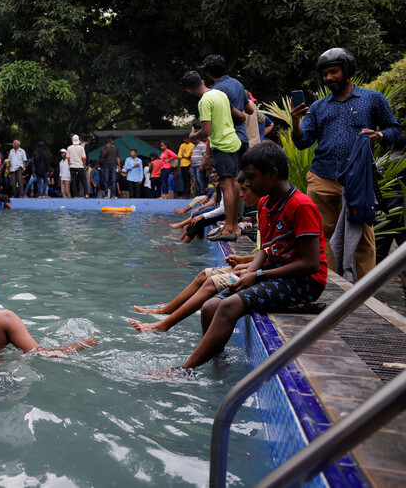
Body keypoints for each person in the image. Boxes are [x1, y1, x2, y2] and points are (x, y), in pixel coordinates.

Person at [177, 142, 327, 369]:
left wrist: (258, 274)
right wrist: (250, 270)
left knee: (228, 307)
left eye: (251, 177)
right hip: (272, 273)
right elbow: (267, 247)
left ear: (273, 174)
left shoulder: (300, 206)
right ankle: (216, 359)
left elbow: (311, 264)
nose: (246, 183)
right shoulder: (266, 203)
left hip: (305, 282)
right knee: (209, 307)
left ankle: (184, 370)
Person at [291, 47, 401, 279]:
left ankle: (363, 294)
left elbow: (395, 130)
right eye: (325, 74)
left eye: (334, 72)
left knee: (362, 236)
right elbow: (304, 142)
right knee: (320, 236)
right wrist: (296, 123)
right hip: (322, 177)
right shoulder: (319, 106)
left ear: (347, 70)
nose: (329, 77)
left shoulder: (372, 99)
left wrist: (379, 136)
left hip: (358, 179)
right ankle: (328, 286)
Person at [130, 176, 260, 332]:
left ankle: (163, 325)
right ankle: (164, 311)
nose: (240, 195)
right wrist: (244, 260)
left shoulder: (272, 209)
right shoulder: (264, 209)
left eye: (244, 190)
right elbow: (268, 253)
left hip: (258, 270)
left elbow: (277, 257)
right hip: (252, 265)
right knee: (203, 275)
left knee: (211, 289)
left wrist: (247, 266)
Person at [182, 70, 242, 241]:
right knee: (234, 182)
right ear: (201, 81)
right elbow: (235, 115)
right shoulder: (219, 93)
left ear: (189, 90)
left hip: (222, 145)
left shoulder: (204, 101)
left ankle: (230, 226)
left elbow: (206, 131)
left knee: (225, 184)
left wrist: (193, 136)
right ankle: (234, 224)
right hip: (233, 141)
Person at [203, 54, 253, 157]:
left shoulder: (214, 92)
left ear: (208, 73)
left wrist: (207, 154)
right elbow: (250, 110)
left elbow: (212, 123)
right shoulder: (238, 84)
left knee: (229, 173)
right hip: (243, 137)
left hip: (227, 142)